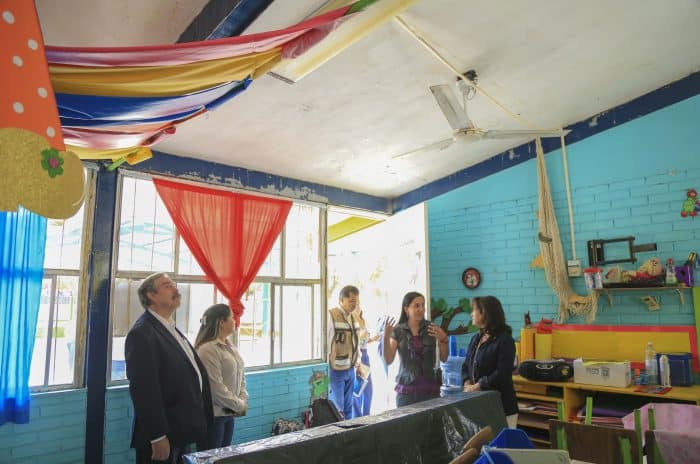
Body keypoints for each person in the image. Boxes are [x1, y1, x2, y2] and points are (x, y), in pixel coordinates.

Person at [125, 273, 213, 463]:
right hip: (162, 436)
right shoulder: (142, 333)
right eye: (167, 285)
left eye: (174, 284)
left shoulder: (170, 328)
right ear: (151, 295)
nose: (176, 289)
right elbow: (143, 389)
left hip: (180, 431)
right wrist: (157, 436)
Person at [195, 304, 248, 451]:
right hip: (214, 416)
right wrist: (239, 405)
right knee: (211, 457)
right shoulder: (207, 349)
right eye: (231, 317)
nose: (235, 320)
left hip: (229, 413)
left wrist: (242, 399)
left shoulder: (229, 345)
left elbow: (241, 374)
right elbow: (215, 389)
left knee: (225, 457)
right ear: (221, 323)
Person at [461, 296, 518, 428]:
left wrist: (478, 386)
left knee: (502, 441)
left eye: (474, 310)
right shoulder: (475, 338)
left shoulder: (505, 340)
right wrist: (467, 383)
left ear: (485, 313)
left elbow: (502, 373)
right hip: (478, 405)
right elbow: (466, 365)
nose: (471, 314)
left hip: (501, 406)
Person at [383, 291, 448, 407]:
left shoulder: (432, 328)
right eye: (416, 306)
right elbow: (388, 360)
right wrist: (386, 337)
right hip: (406, 393)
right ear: (406, 309)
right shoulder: (398, 330)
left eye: (423, 305)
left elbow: (444, 358)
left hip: (431, 390)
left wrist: (444, 340)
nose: (421, 309)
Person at [328, 285, 361, 419]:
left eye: (356, 301)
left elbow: (356, 343)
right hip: (336, 370)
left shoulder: (354, 318)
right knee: (338, 409)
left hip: (351, 369)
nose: (354, 304)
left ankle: (349, 430)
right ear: (342, 300)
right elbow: (326, 343)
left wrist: (358, 363)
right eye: (352, 301)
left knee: (348, 408)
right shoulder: (331, 315)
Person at [351, 307, 380, 417]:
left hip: (364, 356)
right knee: (358, 389)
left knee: (368, 389)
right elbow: (353, 342)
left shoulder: (362, 320)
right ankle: (357, 417)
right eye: (355, 303)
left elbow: (364, 341)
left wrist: (373, 339)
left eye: (358, 303)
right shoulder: (350, 320)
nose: (357, 306)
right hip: (357, 357)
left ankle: (366, 414)